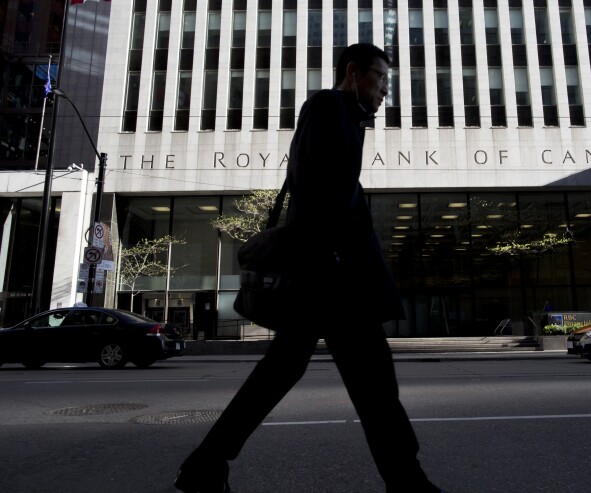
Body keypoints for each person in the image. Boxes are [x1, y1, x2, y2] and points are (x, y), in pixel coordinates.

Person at [174, 44, 443, 493]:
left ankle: (206, 465)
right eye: (379, 78)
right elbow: (320, 189)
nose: (384, 90)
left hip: (324, 271)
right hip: (331, 274)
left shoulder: (346, 116)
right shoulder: (327, 105)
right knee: (372, 378)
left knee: (285, 370)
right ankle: (407, 480)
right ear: (354, 74)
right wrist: (342, 256)